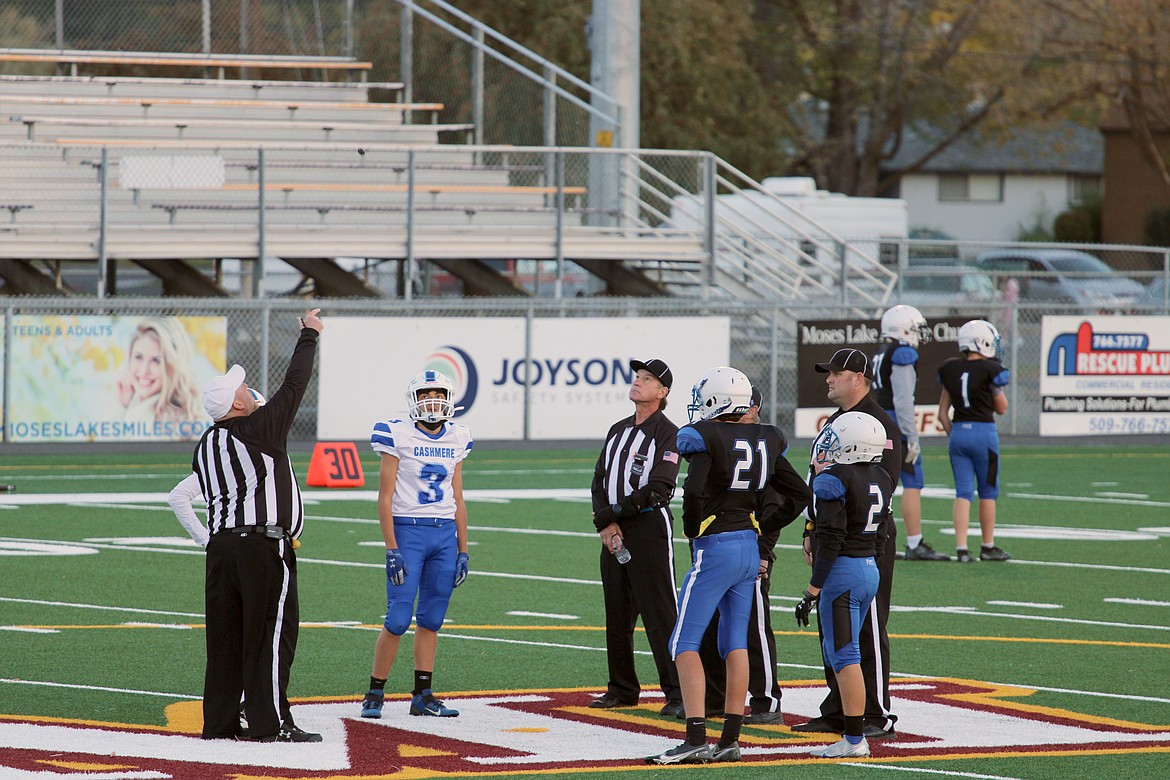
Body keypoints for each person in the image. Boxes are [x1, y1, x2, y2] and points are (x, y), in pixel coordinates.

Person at [646, 366, 810, 765]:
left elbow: (695, 491)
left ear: (717, 401)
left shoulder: (704, 436)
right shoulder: (767, 436)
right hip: (748, 549)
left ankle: (696, 737)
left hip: (715, 547)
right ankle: (731, 739)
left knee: (683, 643)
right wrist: (763, 526)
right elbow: (799, 493)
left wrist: (691, 530)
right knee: (735, 642)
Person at [185, 308, 323, 743]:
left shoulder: (206, 443)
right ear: (238, 403)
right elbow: (295, 386)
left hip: (221, 550)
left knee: (225, 640)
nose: (248, 388)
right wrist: (309, 336)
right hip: (262, 547)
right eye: (242, 387)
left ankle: (221, 722)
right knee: (269, 635)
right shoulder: (257, 429)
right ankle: (271, 723)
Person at [793, 347, 901, 739]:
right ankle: (840, 707)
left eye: (836, 373)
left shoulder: (879, 424)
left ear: (859, 377)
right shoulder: (836, 422)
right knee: (835, 628)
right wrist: (813, 529)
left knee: (867, 626)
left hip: (864, 542)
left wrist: (841, 534)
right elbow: (820, 483)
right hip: (833, 537)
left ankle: (876, 711)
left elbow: (882, 487)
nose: (828, 379)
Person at [359, 370, 473, 720]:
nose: (433, 401)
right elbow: (385, 497)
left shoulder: (458, 436)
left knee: (432, 618)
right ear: (414, 400)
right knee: (397, 618)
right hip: (408, 532)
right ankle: (374, 693)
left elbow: (458, 497)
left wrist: (464, 548)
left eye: (439, 394)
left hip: (444, 537)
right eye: (426, 395)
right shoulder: (398, 433)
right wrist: (391, 548)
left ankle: (423, 695)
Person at [590, 358, 684, 718]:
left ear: (662, 393)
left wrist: (613, 515)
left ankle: (676, 692)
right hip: (613, 531)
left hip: (648, 529)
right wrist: (605, 523)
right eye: (637, 377)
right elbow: (599, 478)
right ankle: (622, 688)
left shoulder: (668, 432)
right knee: (617, 612)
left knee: (660, 613)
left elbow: (661, 488)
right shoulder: (617, 428)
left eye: (648, 379)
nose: (638, 382)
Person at [696, 386, 795, 724]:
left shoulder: (761, 446)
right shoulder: (729, 442)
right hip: (720, 548)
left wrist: (764, 550)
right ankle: (716, 697)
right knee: (716, 628)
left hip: (747, 551)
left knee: (752, 627)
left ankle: (767, 701)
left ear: (752, 408)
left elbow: (780, 501)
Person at [873, 304, 949, 561]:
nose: (919, 334)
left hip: (879, 420)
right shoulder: (902, 353)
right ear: (903, 327)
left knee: (882, 482)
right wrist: (912, 436)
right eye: (916, 328)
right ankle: (914, 542)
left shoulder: (882, 351)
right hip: (895, 424)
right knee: (913, 481)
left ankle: (875, 538)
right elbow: (903, 400)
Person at [937, 320, 1012, 563]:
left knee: (963, 493)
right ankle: (987, 546)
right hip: (984, 434)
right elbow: (1001, 408)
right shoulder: (991, 370)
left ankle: (961, 549)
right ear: (984, 341)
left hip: (958, 433)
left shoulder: (950, 369)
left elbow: (942, 414)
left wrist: (956, 435)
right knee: (988, 491)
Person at [116, 318, 202, 426]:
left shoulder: (158, 419)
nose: (144, 370)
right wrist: (124, 405)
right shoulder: (136, 408)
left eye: (156, 360)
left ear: (173, 365)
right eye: (138, 357)